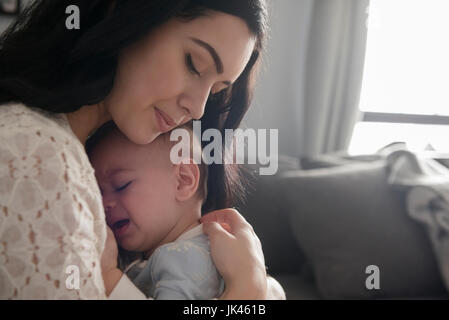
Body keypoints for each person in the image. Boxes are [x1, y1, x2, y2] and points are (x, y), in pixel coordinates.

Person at [0, 0, 285, 299]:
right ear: (125, 12)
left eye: (217, 91)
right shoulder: (36, 156)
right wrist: (248, 291)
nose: (198, 109)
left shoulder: (82, 155)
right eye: (193, 64)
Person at [88, 121, 226, 299]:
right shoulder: (177, 253)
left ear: (183, 181)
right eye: (98, 193)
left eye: (121, 185)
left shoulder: (187, 257)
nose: (104, 203)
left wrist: (110, 279)